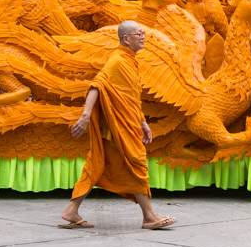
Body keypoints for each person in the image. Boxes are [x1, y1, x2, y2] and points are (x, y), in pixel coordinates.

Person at [60, 20, 175, 230]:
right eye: (139, 34)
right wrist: (85, 115)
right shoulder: (117, 60)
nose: (143, 36)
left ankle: (71, 210)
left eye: (143, 33)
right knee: (137, 164)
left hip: (128, 123)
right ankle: (149, 216)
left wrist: (142, 122)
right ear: (126, 39)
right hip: (118, 126)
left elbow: (131, 95)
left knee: (98, 164)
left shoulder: (130, 60)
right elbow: (97, 85)